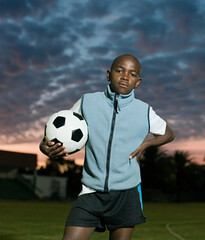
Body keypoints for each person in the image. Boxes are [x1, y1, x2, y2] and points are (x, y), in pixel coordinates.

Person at [39, 54, 175, 240]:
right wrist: (44, 146)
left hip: (126, 194)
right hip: (91, 193)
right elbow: (58, 132)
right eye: (119, 71)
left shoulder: (144, 111)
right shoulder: (87, 102)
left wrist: (147, 144)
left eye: (132, 74)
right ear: (108, 74)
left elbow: (169, 133)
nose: (125, 76)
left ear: (138, 82)